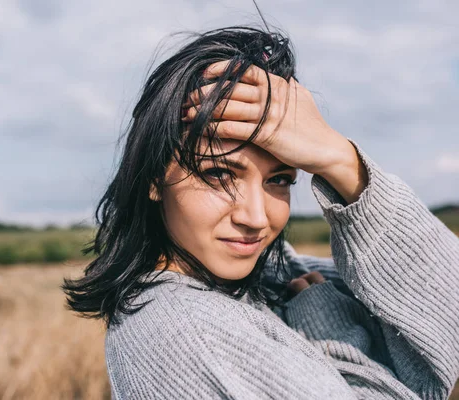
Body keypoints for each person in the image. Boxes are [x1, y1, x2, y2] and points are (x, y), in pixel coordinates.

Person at [62, 22, 459, 399]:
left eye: (279, 180)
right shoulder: (187, 333)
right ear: (152, 176)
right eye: (218, 173)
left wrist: (340, 160)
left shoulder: (271, 277)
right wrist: (331, 329)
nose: (255, 217)